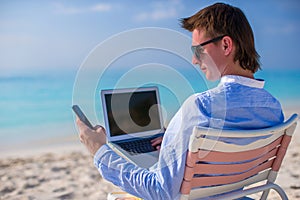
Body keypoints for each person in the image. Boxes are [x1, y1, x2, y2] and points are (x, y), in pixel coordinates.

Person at [76, 3, 284, 200]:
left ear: (226, 45)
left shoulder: (201, 107)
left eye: (197, 50)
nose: (194, 60)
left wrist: (99, 150)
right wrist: (178, 139)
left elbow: (160, 192)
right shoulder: (272, 108)